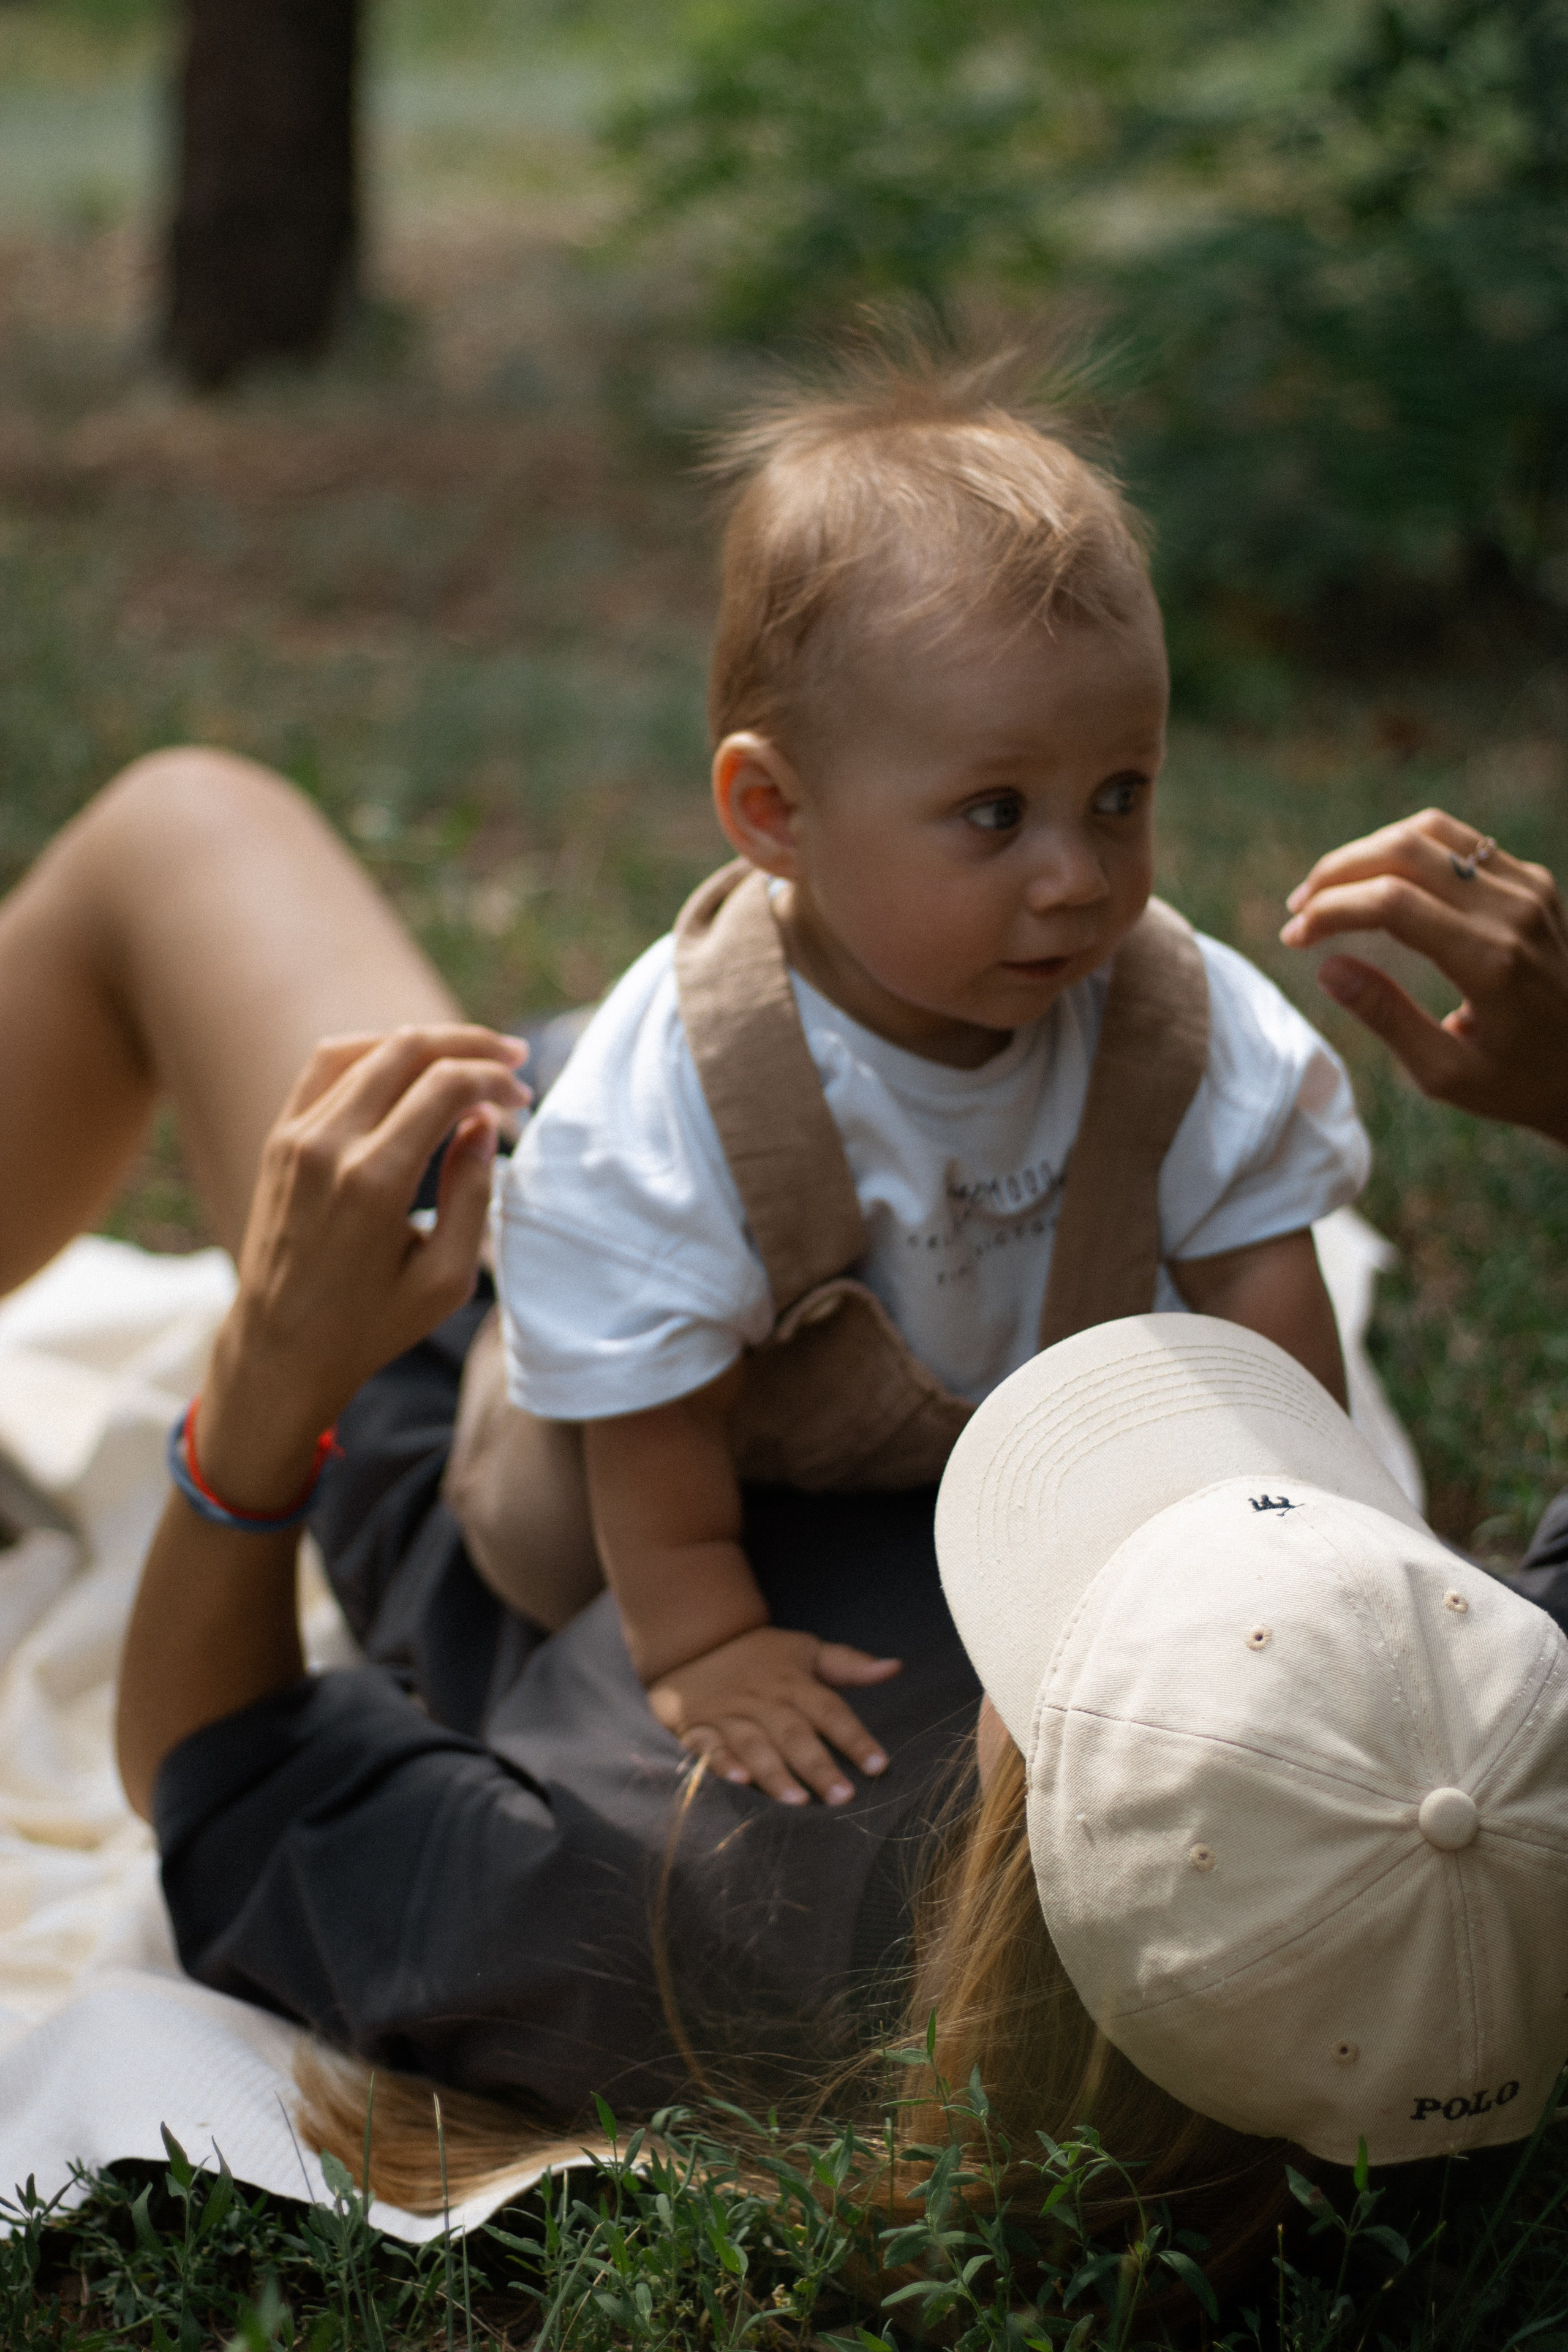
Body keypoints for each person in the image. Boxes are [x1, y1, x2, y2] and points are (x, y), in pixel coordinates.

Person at [4, 750, 1567, 2282]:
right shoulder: (1492, 1796)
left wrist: (268, 1385)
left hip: (521, 1415)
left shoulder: (661, 1892)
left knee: (185, 829)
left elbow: (213, 1764)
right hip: (865, 1172)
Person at [484, 353, 1368, 1814]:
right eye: (992, 814)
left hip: (965, 1445)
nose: (1075, 879)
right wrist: (704, 1639)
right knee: (539, 1549)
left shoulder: (1170, 1018)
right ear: (773, 814)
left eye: (1119, 797)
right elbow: (649, 1428)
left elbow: (1267, 1313)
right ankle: (505, 1171)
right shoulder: (688, 1098)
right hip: (665, 1463)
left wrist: (1306, 1542)